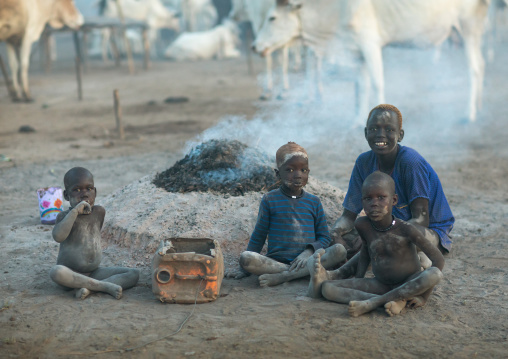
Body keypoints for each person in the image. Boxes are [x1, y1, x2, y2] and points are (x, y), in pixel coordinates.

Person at [330, 104, 454, 280]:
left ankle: (340, 273)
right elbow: (348, 216)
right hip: (386, 225)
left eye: (389, 129)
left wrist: (375, 235)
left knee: (388, 241)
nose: (380, 135)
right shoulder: (363, 162)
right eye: (374, 129)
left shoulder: (411, 162)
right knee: (349, 239)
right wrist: (336, 234)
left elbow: (421, 219)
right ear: (366, 133)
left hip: (426, 231)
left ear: (400, 135)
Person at [308, 171, 444, 317]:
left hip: (408, 283)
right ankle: (393, 300)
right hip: (380, 284)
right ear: (362, 202)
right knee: (327, 289)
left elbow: (439, 260)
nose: (374, 203)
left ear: (394, 200)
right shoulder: (362, 225)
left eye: (381, 198)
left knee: (434, 274)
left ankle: (373, 303)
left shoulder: (407, 229)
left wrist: (423, 297)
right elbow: (366, 252)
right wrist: (358, 277)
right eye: (368, 198)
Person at [226, 142, 347, 286]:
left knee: (339, 251)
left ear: (308, 172)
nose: (298, 175)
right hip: (276, 263)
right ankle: (296, 273)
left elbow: (324, 237)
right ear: (278, 174)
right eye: (290, 170)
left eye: (303, 170)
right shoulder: (270, 199)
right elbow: (259, 234)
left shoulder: (314, 202)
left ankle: (283, 277)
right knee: (247, 258)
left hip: (308, 259)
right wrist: (243, 270)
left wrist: (308, 251)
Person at [49, 167, 139, 300]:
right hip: (71, 274)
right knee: (56, 272)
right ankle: (104, 287)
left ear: (95, 192)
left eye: (89, 189)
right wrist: (74, 212)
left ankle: (89, 288)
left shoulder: (99, 212)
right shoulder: (65, 216)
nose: (84, 194)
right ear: (67, 196)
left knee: (133, 274)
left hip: (93, 273)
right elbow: (58, 236)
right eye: (77, 190)